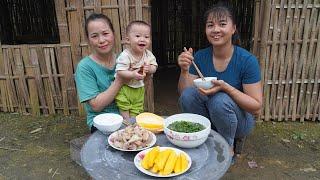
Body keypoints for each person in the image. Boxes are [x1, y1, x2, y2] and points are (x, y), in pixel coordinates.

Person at [177, 4, 262, 160]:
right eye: (210, 25)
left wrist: (227, 88)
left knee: (220, 99)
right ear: (206, 30)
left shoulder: (247, 61)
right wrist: (184, 70)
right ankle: (201, 138)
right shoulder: (201, 57)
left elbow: (256, 107)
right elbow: (184, 94)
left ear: (233, 28)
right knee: (189, 95)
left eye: (222, 24)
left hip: (239, 122)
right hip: (210, 115)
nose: (216, 29)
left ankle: (226, 147)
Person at [75, 13, 125, 133]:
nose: (101, 40)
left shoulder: (123, 59)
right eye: (94, 36)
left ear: (113, 34)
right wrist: (120, 80)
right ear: (88, 40)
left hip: (129, 117)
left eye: (105, 33)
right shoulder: (85, 67)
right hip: (102, 124)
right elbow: (96, 105)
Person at [114, 21, 158, 122]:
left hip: (139, 88)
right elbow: (120, 71)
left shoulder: (148, 54)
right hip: (124, 87)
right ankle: (126, 120)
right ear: (128, 40)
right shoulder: (125, 55)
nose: (142, 39)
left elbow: (154, 67)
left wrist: (149, 69)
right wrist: (133, 74)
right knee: (123, 104)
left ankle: (132, 122)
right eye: (137, 36)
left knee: (137, 107)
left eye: (146, 37)